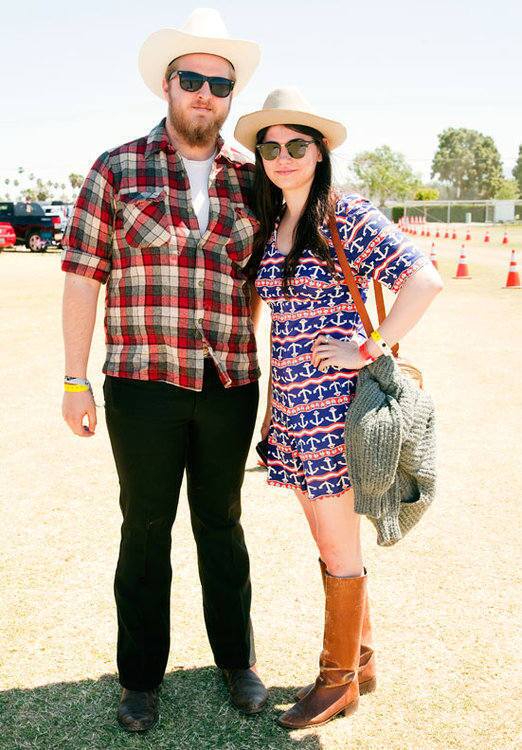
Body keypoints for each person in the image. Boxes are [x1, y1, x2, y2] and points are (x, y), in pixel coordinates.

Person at [61, 9, 268, 733]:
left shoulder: (254, 180)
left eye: (220, 82)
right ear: (168, 85)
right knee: (144, 528)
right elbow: (83, 277)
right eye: (193, 79)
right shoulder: (116, 168)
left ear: (230, 96)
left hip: (231, 381)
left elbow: (271, 277)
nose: (205, 93)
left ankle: (237, 663)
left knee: (223, 524)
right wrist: (73, 378)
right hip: (143, 383)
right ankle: (140, 679)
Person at [234, 87, 443, 729]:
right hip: (293, 410)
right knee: (330, 541)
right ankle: (364, 657)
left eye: (296, 145)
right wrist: (273, 411)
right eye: (270, 147)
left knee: (337, 546)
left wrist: (370, 346)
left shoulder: (344, 216)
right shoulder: (275, 227)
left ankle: (338, 679)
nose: (282, 157)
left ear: (320, 152)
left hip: (336, 409)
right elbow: (281, 328)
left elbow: (424, 278)